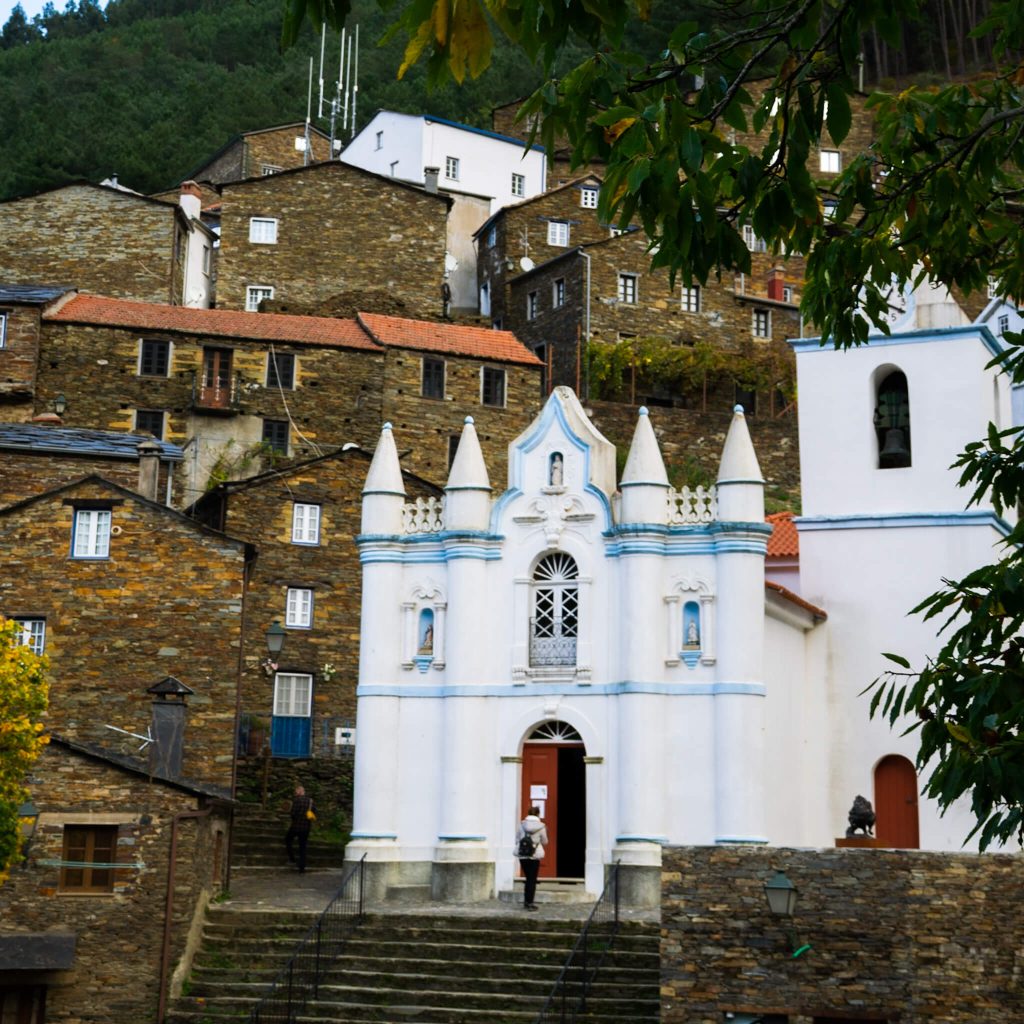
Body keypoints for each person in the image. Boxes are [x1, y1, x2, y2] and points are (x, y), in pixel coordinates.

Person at [515, 806, 548, 911]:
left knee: (527, 878)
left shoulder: (522, 825)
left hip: (523, 855)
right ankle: (530, 903)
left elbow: (517, 839)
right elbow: (545, 841)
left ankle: (526, 902)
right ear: (538, 814)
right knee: (532, 879)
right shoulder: (541, 826)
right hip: (534, 855)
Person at [285, 784, 315, 872]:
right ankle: (302, 867)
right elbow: (313, 812)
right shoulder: (310, 801)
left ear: (300, 791)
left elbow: (293, 813)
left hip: (296, 826)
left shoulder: (297, 800)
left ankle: (292, 858)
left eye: (296, 791)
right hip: (306, 827)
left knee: (288, 840)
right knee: (303, 846)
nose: (295, 793)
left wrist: (295, 818)